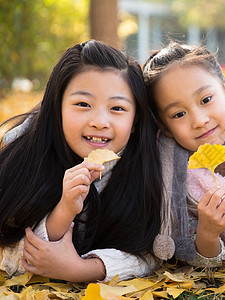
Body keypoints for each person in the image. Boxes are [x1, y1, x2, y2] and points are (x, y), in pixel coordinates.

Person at [0, 40, 163, 282]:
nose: (99, 121)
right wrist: (65, 210)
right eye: (83, 104)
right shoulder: (24, 154)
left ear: (136, 119)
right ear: (57, 107)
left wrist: (79, 270)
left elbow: (148, 252)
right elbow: (8, 254)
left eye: (117, 108)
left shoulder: (147, 163)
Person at [142, 42, 225, 267]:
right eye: (179, 114)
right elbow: (197, 260)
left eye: (206, 100)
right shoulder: (170, 174)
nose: (199, 120)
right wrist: (207, 235)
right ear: (164, 126)